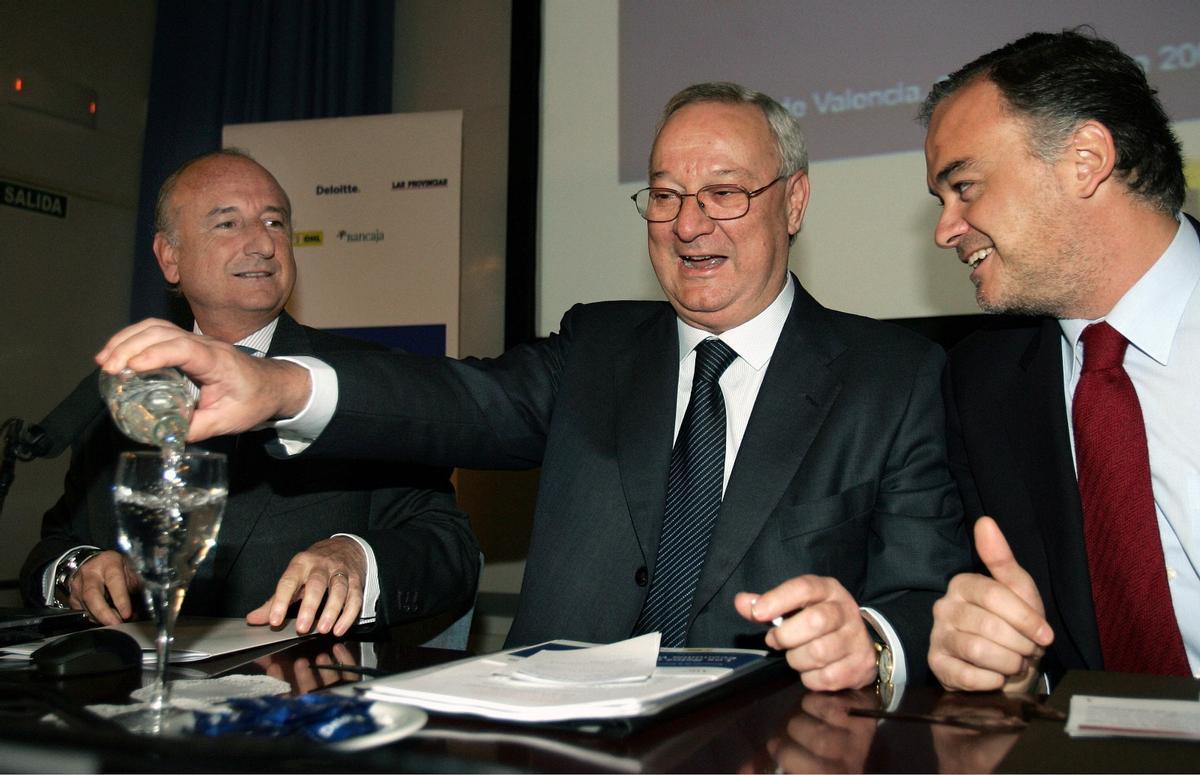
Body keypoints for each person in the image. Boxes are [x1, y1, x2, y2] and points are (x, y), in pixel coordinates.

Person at [96, 83, 968, 690]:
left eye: (725, 193)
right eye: (664, 196)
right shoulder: (597, 344)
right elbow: (449, 402)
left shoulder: (889, 378)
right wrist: (282, 384)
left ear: (797, 199)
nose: (689, 223)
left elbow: (925, 596)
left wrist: (875, 643)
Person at [21, 150, 480, 637]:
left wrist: (357, 558)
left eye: (274, 222)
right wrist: (78, 571)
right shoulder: (124, 390)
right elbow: (54, 547)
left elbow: (447, 547)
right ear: (169, 257)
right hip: (134, 691)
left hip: (300, 691)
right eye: (228, 224)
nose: (262, 243)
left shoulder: (362, 382)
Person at [921, 29, 1200, 691]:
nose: (944, 229)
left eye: (964, 186)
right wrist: (1014, 676)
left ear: (1085, 160)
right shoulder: (980, 389)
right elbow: (1042, 658)